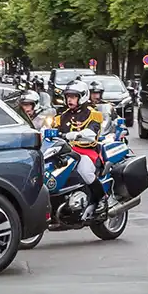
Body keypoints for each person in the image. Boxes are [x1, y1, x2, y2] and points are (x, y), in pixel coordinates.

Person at [57, 80, 107, 221]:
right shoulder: (62, 116)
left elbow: (93, 133)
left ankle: (101, 199)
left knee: (85, 171)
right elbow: (51, 131)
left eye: (73, 96)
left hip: (87, 152)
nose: (69, 100)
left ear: (83, 96)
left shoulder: (93, 114)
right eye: (68, 96)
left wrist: (78, 134)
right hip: (66, 152)